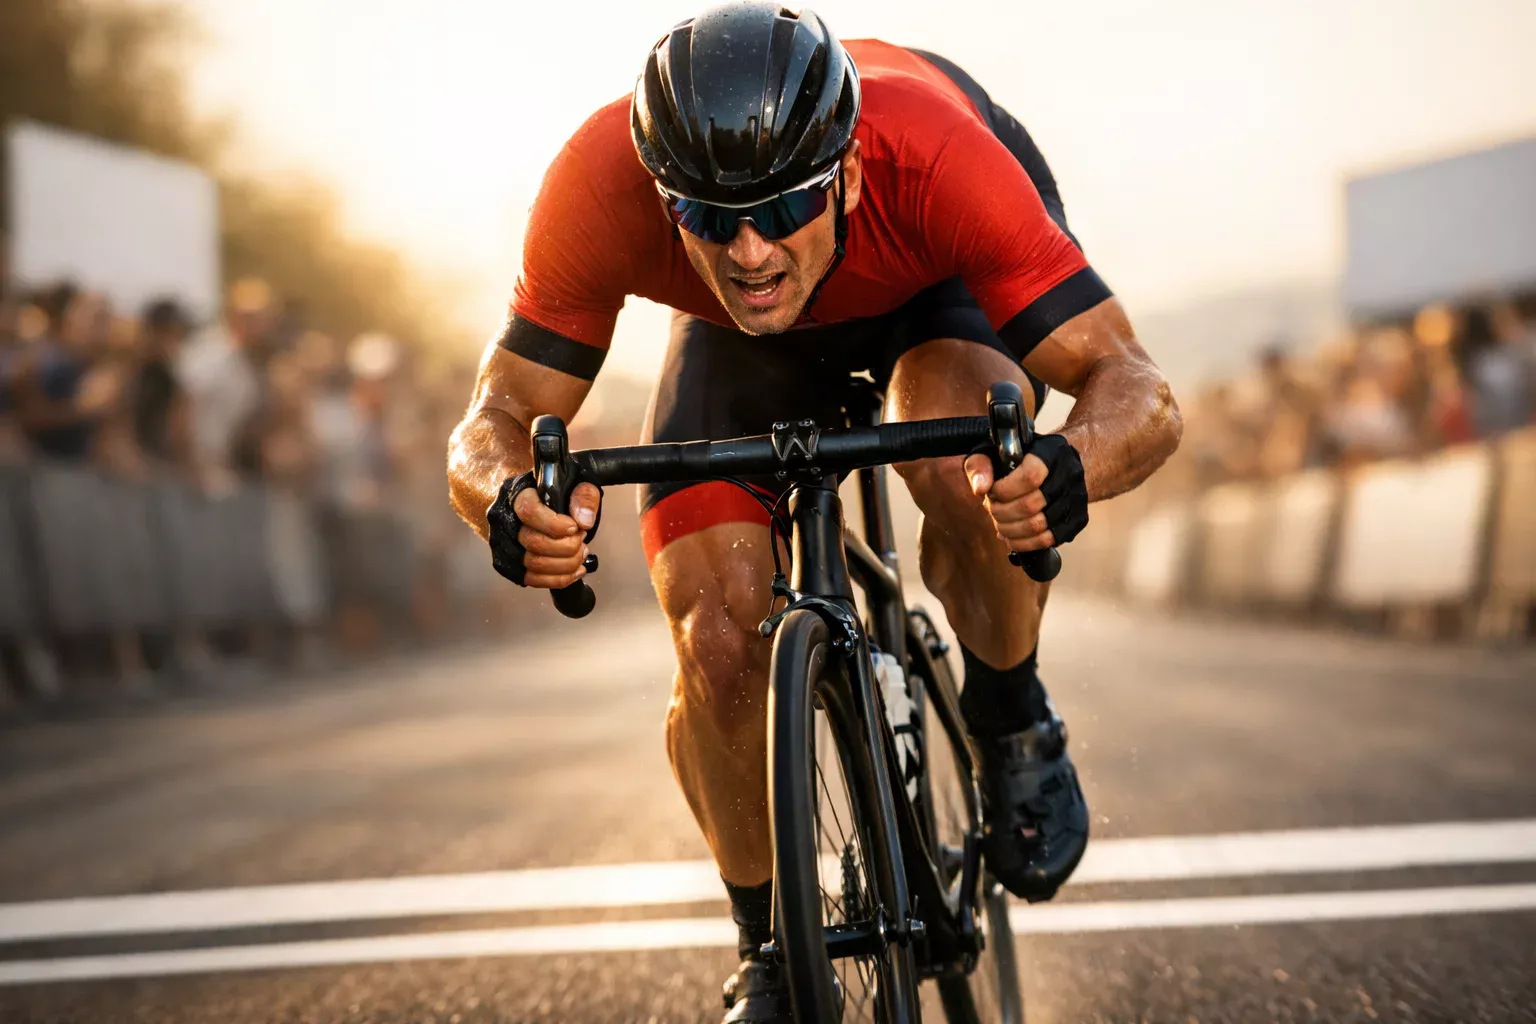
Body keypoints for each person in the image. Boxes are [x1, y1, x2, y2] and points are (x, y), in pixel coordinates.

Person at [446, 6, 1182, 1019]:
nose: (748, 249)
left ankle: (1009, 715)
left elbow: (1136, 387)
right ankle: (770, 950)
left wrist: (1066, 468)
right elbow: (495, 418)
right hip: (739, 347)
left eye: (783, 205)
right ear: (665, 194)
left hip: (932, 281)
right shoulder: (599, 182)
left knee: (969, 460)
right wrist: (509, 499)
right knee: (714, 634)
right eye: (707, 215)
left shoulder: (938, 157)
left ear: (842, 172)